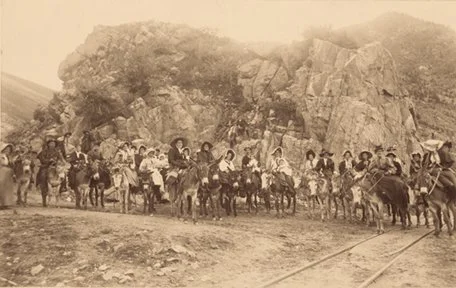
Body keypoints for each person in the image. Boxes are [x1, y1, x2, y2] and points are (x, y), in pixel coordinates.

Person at [36, 139, 65, 206]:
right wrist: (49, 160)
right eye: (51, 143)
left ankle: (63, 187)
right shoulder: (44, 151)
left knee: (63, 175)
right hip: (46, 166)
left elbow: (61, 159)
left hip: (56, 167)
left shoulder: (57, 152)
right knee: (43, 174)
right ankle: (42, 186)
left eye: (54, 143)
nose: (52, 144)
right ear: (48, 144)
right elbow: (41, 159)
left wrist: (62, 163)